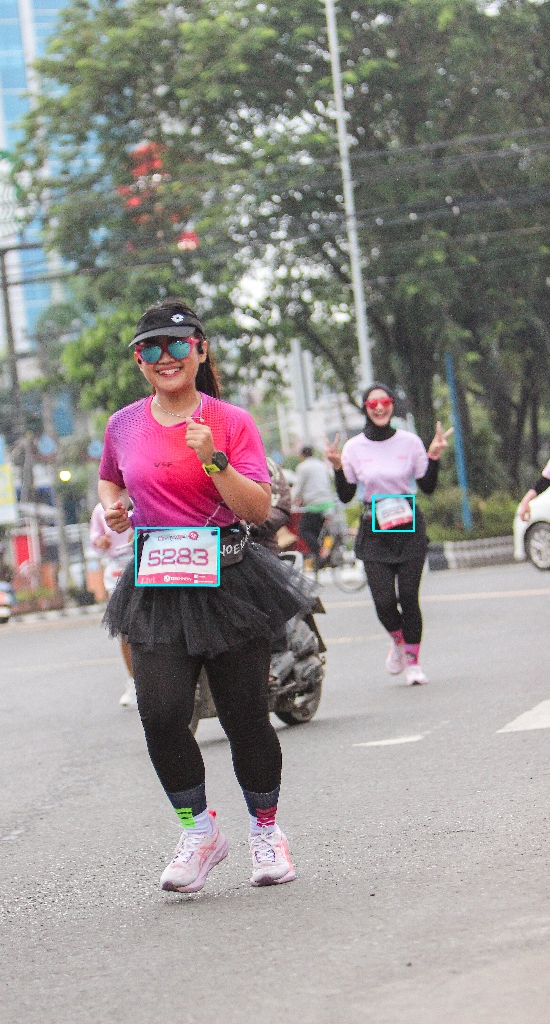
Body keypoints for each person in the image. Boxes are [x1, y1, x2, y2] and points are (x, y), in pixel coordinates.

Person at [98, 297, 314, 893]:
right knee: (161, 713)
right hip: (158, 583)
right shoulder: (123, 424)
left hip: (230, 578)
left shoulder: (230, 420)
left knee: (245, 716)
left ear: (199, 350)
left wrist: (213, 459)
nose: (164, 358)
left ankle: (266, 831)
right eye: (150, 349)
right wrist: (113, 508)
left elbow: (258, 508)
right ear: (139, 361)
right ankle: (199, 832)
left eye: (176, 345)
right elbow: (111, 477)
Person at [324, 383, 452, 686]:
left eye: (385, 401)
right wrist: (338, 468)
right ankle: (398, 641)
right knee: (383, 601)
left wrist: (434, 457)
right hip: (375, 530)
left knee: (408, 596)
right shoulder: (354, 447)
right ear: (365, 408)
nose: (380, 408)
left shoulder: (410, 442)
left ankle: (413, 662)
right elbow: (346, 495)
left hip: (409, 527)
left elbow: (428, 486)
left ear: (392, 404)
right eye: (373, 404)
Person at [89, 502, 137, 707]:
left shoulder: (145, 494)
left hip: (150, 558)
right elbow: (95, 538)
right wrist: (101, 541)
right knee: (124, 628)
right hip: (117, 566)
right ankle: (134, 681)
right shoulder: (101, 509)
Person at [292, 445, 335, 572]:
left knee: (304, 530)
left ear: (302, 455)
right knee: (322, 532)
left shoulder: (303, 467)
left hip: (315, 504)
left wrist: (290, 501)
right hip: (328, 503)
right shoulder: (321, 464)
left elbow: (298, 488)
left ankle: (321, 553)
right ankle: (324, 555)